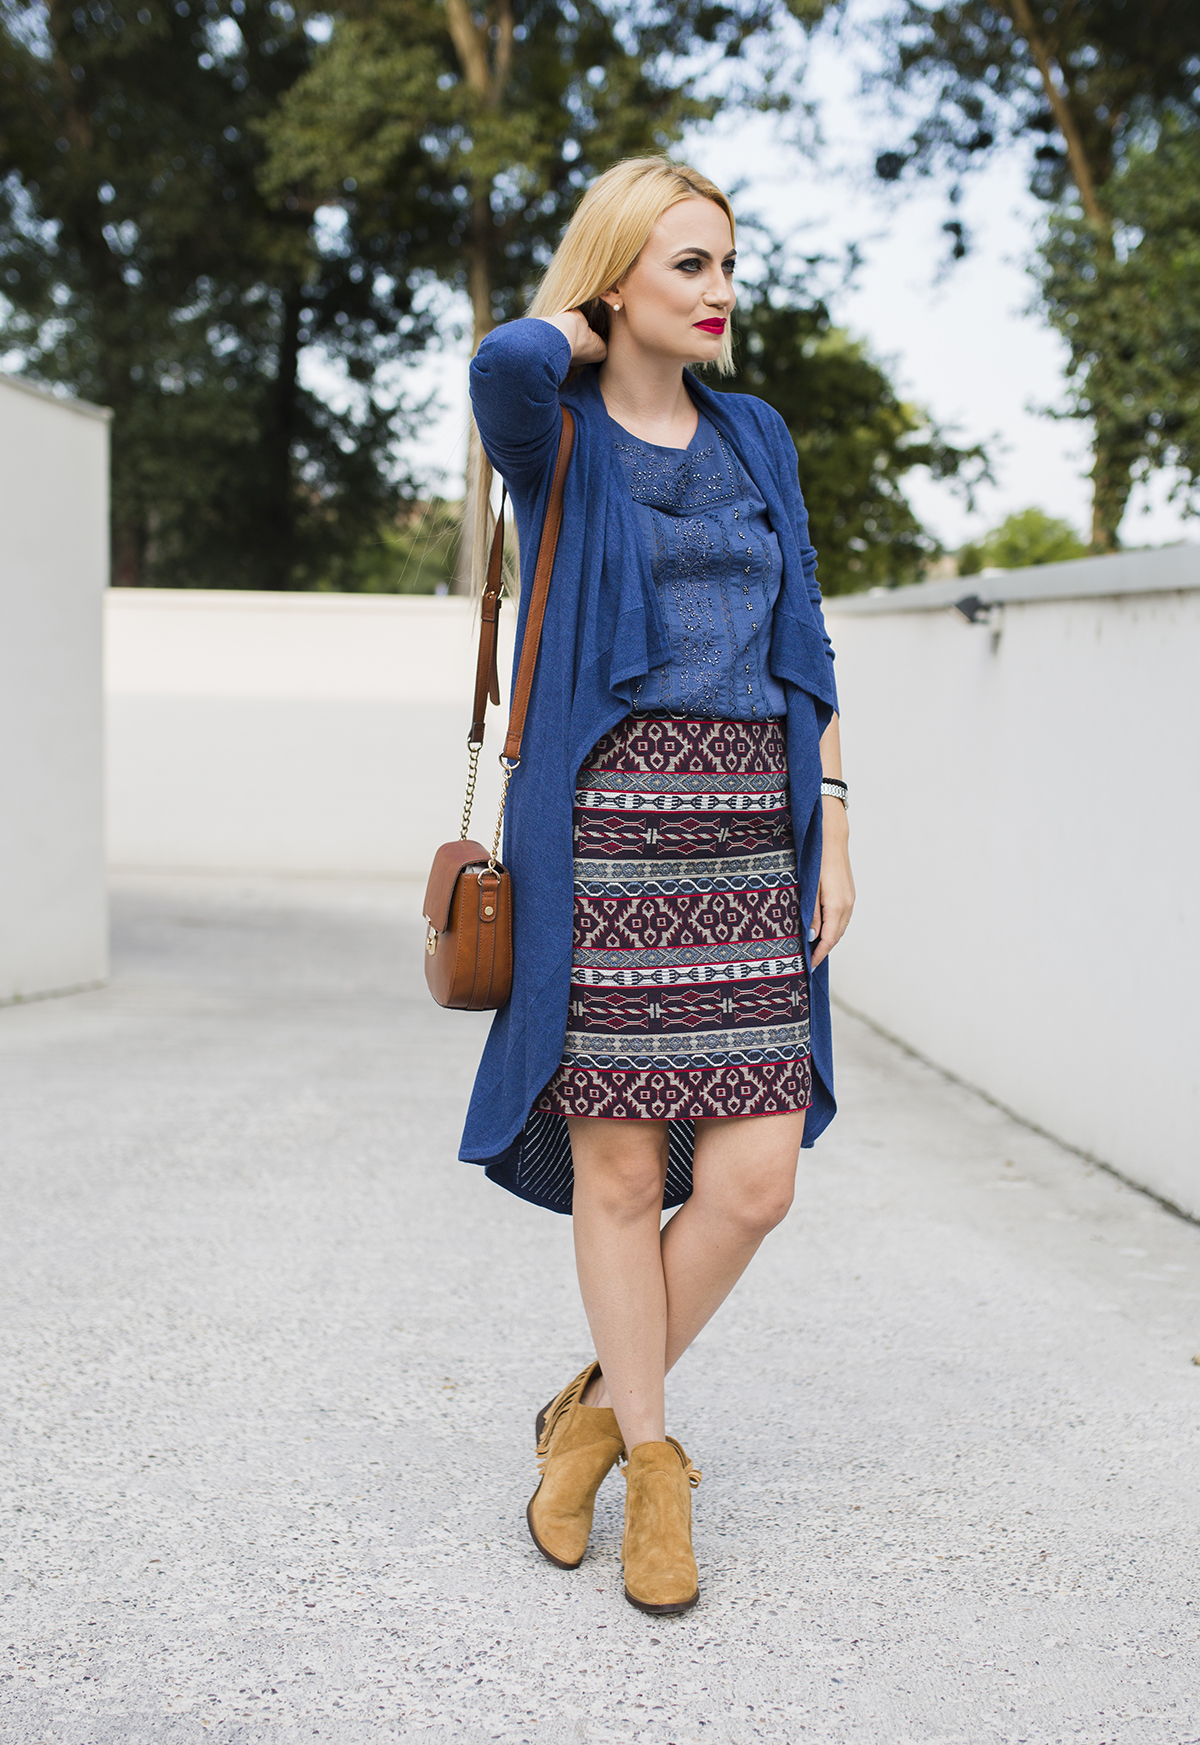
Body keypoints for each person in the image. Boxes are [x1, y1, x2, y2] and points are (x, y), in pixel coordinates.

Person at [460, 157, 855, 1616]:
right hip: (607, 839)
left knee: (757, 1180)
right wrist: (577, 327)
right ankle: (655, 1465)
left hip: (750, 837)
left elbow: (806, 629)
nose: (721, 291)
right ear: (616, 277)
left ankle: (585, 1417)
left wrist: (833, 813)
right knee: (622, 1175)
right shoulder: (554, 433)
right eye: (688, 264)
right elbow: (501, 362)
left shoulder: (756, 436)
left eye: (729, 264)